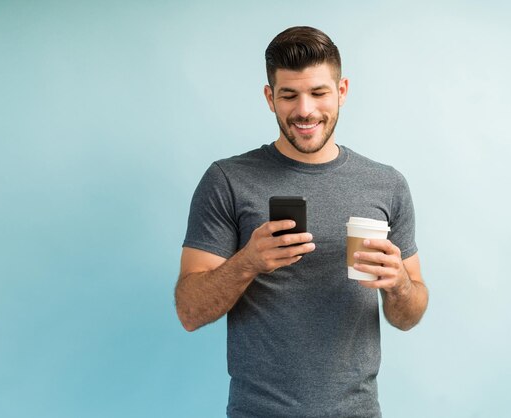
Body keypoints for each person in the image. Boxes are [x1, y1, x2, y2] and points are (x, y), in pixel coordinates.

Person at [175, 26, 428, 418]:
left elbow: (408, 316)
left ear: (342, 91)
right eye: (289, 95)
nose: (305, 110)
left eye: (319, 93)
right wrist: (249, 261)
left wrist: (398, 284)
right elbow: (189, 312)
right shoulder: (227, 180)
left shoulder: (387, 184)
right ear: (269, 97)